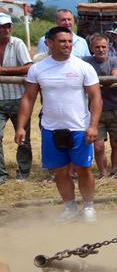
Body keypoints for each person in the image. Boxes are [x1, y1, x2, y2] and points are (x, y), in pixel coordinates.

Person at [15, 26, 102, 222]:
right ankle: (70, 207)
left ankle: (88, 207)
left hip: (79, 128)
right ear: (49, 43)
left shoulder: (82, 67)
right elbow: (28, 98)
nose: (67, 45)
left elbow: (96, 97)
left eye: (70, 41)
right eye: (62, 41)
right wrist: (20, 126)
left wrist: (93, 125)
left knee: (84, 169)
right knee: (60, 171)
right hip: (50, 128)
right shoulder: (38, 69)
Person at [83, 34, 117, 176]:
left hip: (115, 107)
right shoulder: (85, 62)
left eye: (103, 47)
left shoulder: (114, 60)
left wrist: (93, 82)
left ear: (108, 47)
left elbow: (115, 78)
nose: (101, 49)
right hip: (94, 110)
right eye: (97, 47)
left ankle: (115, 170)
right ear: (91, 48)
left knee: (116, 142)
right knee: (98, 144)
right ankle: (103, 172)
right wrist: (104, 83)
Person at [0, 12, 34, 183]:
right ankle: (1, 174)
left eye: (8, 26)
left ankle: (24, 172)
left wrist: (2, 70)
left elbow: (28, 68)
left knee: (23, 137)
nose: (6, 29)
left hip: (18, 98)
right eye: (2, 26)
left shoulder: (18, 43)